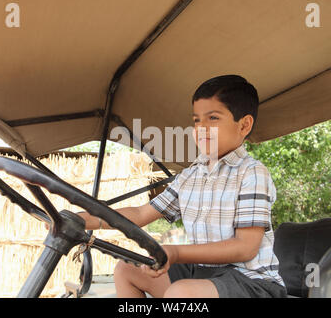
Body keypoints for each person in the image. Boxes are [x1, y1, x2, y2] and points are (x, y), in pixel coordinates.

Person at [77, 75, 287, 298]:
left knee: (181, 293)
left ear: (244, 125)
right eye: (197, 120)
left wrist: (176, 252)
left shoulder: (252, 173)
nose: (201, 128)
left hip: (252, 282)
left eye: (213, 118)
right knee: (127, 269)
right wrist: (85, 219)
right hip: (204, 275)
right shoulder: (190, 176)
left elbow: (245, 247)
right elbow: (140, 214)